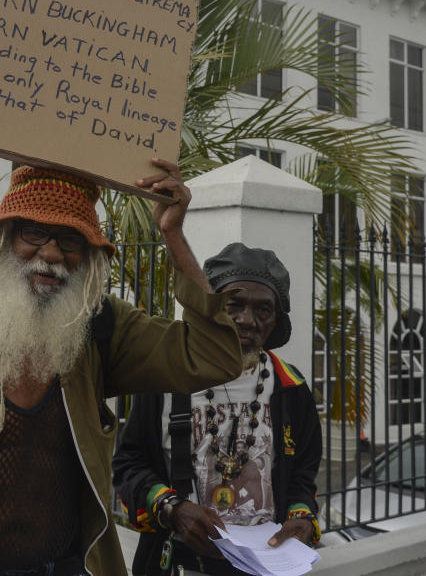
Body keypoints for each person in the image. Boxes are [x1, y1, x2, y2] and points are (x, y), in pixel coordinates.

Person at [0, 159, 244, 576]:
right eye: (33, 233)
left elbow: (216, 357)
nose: (51, 254)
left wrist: (173, 235)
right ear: (5, 239)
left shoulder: (103, 331)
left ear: (88, 255)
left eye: (70, 240)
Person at [113, 242, 323, 575]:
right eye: (232, 305)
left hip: (265, 567)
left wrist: (301, 518)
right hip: (177, 565)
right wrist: (172, 508)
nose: (246, 320)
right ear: (210, 311)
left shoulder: (291, 388)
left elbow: (302, 476)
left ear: (275, 321)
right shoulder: (165, 378)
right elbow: (127, 465)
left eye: (262, 310)